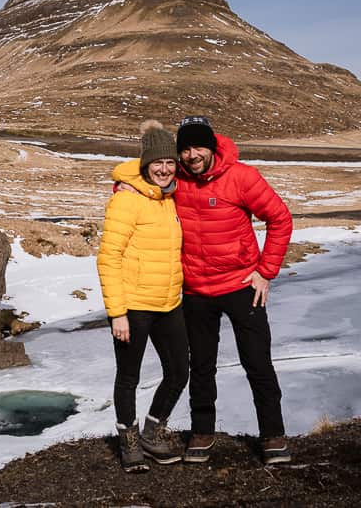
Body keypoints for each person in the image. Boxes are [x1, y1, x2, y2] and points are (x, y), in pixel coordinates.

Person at [174, 115, 293, 465]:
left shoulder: (242, 176)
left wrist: (265, 271)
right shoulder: (176, 181)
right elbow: (141, 180)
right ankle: (202, 432)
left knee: (257, 363)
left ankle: (273, 435)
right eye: (184, 149)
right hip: (196, 289)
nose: (191, 155)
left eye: (197, 146)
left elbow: (280, 219)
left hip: (242, 285)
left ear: (211, 146)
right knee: (201, 365)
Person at [97, 120, 190, 473]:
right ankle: (129, 441)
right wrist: (117, 313)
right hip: (133, 306)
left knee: (179, 371)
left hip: (169, 303)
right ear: (146, 164)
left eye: (169, 163)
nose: (164, 169)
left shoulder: (168, 198)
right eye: (157, 163)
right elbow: (108, 258)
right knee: (129, 377)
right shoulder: (126, 200)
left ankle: (153, 432)